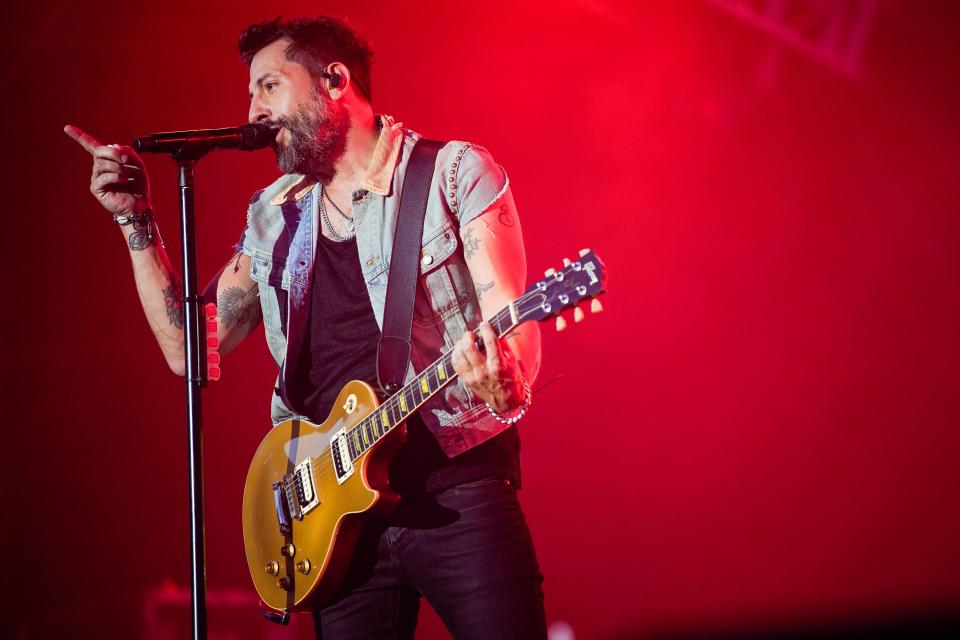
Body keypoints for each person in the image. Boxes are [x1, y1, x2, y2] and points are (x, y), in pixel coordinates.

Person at [65, 14, 546, 640]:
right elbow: (191, 347)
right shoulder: (274, 216)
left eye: (269, 86)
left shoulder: (452, 174)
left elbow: (515, 332)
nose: (254, 110)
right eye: (250, 93)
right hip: (332, 522)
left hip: (458, 494)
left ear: (334, 80)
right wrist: (136, 223)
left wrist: (505, 385)